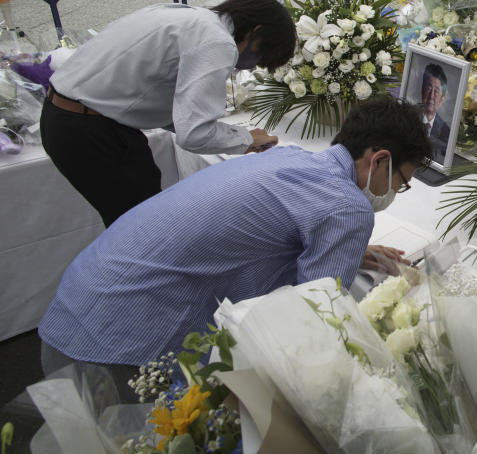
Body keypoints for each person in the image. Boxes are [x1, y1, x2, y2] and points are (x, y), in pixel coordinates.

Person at [38, 97, 432, 376]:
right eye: (401, 181)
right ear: (379, 158)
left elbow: (271, 228)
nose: (395, 192)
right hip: (120, 347)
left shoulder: (289, 157)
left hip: (75, 308)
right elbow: (314, 318)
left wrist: (343, 250)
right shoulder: (348, 206)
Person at [41, 0, 296, 227]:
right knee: (142, 227)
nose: (251, 66)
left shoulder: (188, 16)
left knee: (135, 215)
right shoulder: (217, 42)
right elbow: (194, 134)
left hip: (66, 116)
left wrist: (237, 138)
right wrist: (246, 139)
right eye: (262, 55)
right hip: (90, 129)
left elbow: (169, 102)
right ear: (256, 30)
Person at [421, 63, 451, 159]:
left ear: (442, 99)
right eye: (429, 88)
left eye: (436, 91)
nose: (431, 96)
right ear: (422, 90)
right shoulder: (408, 117)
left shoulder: (446, 132)